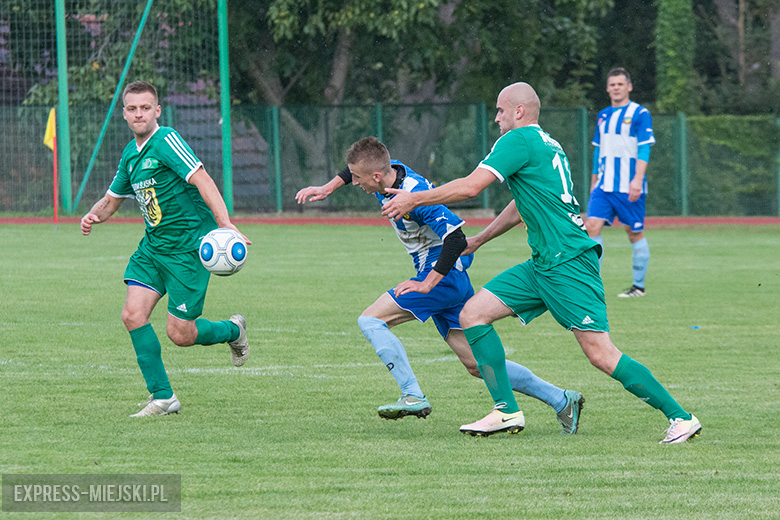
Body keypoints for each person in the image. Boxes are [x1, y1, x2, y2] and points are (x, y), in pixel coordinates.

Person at [381, 83, 701, 444]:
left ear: (519, 111)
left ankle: (680, 417)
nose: (497, 118)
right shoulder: (547, 143)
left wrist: (415, 198)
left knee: (600, 353)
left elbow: (472, 187)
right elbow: (521, 204)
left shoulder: (517, 140)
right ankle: (506, 410)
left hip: (568, 263)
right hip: (543, 263)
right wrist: (480, 240)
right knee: (472, 314)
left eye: (501, 110)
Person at [295, 137, 584, 434]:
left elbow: (457, 238)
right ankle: (561, 399)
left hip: (443, 274)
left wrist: (428, 282)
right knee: (475, 363)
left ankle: (413, 395)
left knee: (370, 320)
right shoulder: (391, 172)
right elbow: (358, 166)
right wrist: (327, 187)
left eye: (357, 178)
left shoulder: (413, 194)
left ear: (376, 177)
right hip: (448, 276)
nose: (354, 182)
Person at [80, 81, 251, 417]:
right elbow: (112, 201)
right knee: (132, 315)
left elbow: (202, 179)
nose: (139, 113)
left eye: (146, 107)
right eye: (132, 108)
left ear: (157, 110)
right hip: (153, 249)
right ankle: (163, 398)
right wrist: (93, 214)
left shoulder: (167, 140)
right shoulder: (131, 155)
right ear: (124, 114)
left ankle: (234, 330)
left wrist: (225, 224)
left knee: (181, 334)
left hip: (188, 252)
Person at [586, 68, 654, 298]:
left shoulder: (640, 113)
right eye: (612, 84)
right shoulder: (603, 115)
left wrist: (638, 179)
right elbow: (598, 152)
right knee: (591, 228)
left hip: (629, 186)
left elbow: (644, 147)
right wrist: (594, 182)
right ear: (607, 88)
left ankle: (638, 287)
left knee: (633, 233)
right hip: (604, 187)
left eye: (620, 84)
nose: (616, 87)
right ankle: (593, 285)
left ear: (629, 87)